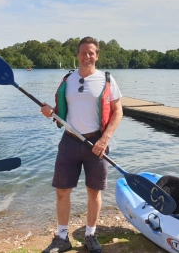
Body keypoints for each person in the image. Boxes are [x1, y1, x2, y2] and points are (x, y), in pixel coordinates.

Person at [41, 36, 123, 253]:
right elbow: (61, 113)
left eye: (91, 53)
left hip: (97, 143)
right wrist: (50, 111)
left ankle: (90, 234)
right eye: (83, 52)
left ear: (97, 55)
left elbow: (118, 112)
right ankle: (61, 237)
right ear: (77, 55)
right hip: (69, 142)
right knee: (62, 191)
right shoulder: (67, 79)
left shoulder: (106, 80)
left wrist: (104, 140)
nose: (87, 56)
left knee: (94, 192)